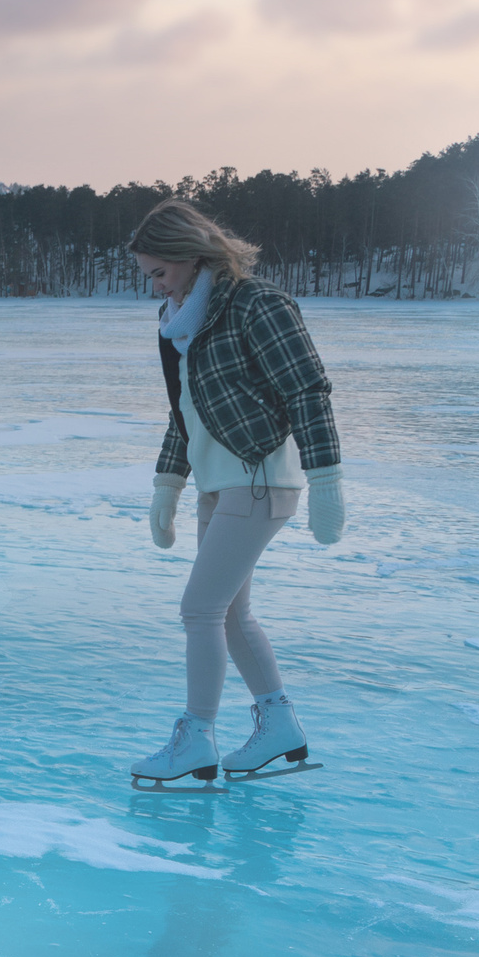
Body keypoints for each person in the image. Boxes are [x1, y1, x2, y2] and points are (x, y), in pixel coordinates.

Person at [125, 199, 347, 788]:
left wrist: (326, 479)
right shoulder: (183, 324)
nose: (155, 287)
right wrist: (167, 486)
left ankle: (196, 738)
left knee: (200, 609)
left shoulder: (257, 305)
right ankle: (280, 726)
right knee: (230, 615)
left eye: (160, 273)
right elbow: (184, 416)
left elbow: (308, 390)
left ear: (191, 256)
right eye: (149, 276)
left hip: (259, 478)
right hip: (220, 485)